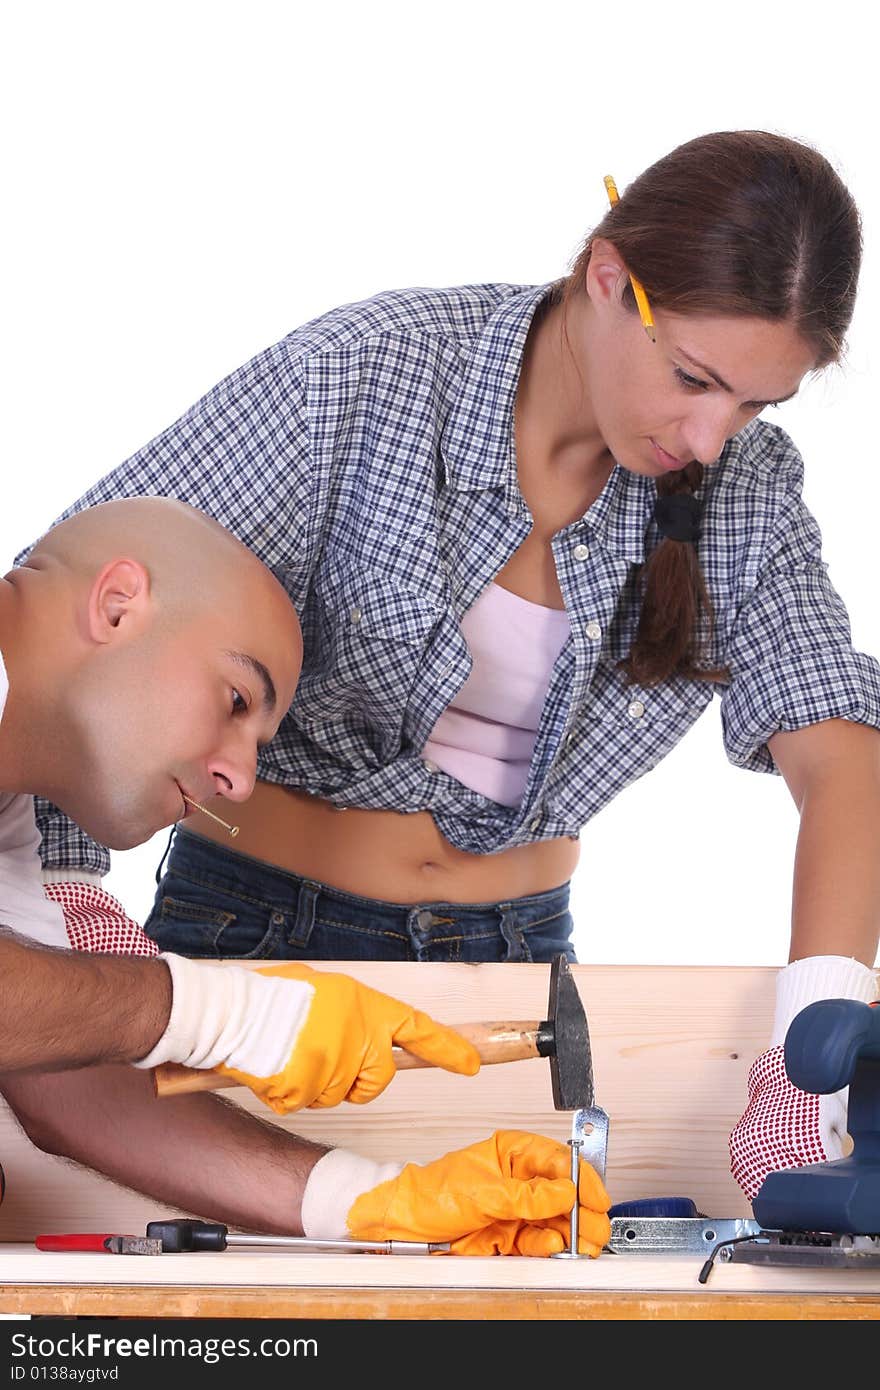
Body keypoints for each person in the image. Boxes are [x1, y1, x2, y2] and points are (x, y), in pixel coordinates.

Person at [18, 131, 880, 1207]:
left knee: (491, 1270)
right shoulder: (360, 377)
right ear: (609, 278)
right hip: (250, 932)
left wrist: (815, 1040)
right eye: (693, 379)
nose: (713, 438)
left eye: (756, 404)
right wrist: (59, 896)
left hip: (519, 962)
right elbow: (76, 610)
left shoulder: (746, 488)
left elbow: (841, 753)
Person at [0, 495, 610, 1255]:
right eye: (235, 698)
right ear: (118, 606)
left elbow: (57, 1074)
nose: (240, 780)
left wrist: (373, 1198)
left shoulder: (8, 823)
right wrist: (232, 1013)